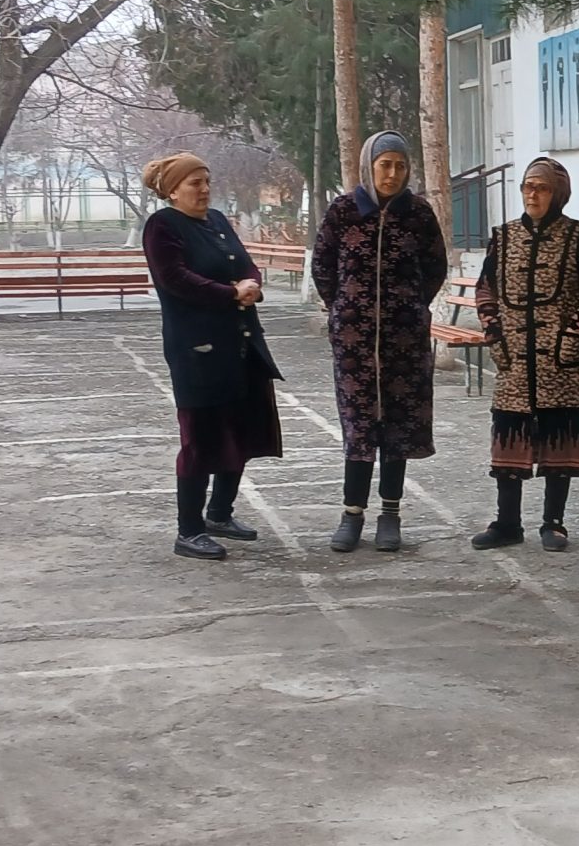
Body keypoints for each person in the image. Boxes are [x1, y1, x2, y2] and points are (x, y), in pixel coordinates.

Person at [141, 151, 283, 561]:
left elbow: (245, 264)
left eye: (207, 182)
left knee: (239, 430)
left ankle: (220, 513)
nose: (204, 190)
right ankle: (189, 530)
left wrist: (251, 284)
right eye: (194, 183)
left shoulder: (218, 220)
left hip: (241, 343)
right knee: (201, 438)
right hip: (197, 349)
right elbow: (175, 279)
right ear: (172, 190)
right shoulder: (163, 226)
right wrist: (230, 293)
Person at [311, 131, 447, 554]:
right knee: (359, 425)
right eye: (384, 164)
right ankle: (352, 513)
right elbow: (323, 266)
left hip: (405, 341)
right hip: (354, 342)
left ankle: (391, 514)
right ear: (369, 166)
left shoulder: (418, 213)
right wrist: (344, 308)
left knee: (397, 426)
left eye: (400, 166)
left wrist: (409, 306)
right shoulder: (343, 211)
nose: (392, 173)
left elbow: (435, 267)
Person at [470, 156, 579, 552]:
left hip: (562, 362)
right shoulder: (503, 237)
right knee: (508, 441)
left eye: (542, 188)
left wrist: (576, 329)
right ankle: (507, 523)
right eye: (528, 186)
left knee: (559, 440)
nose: (532, 194)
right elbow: (485, 287)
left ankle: (554, 523)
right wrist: (493, 332)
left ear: (557, 193)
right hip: (514, 360)